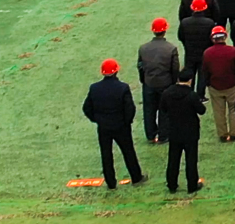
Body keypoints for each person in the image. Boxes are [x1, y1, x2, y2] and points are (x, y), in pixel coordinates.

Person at [82, 58, 145, 189]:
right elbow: (130, 108)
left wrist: (97, 119)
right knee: (128, 151)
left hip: (104, 127)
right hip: (121, 126)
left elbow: (87, 108)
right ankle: (136, 177)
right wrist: (126, 122)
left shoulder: (95, 88)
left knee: (106, 154)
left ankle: (111, 182)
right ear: (116, 71)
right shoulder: (122, 88)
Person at [157, 67, 204, 193]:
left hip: (174, 130)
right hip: (190, 132)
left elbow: (163, 109)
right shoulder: (191, 95)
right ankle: (192, 185)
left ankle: (172, 184)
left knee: (173, 159)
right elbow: (202, 110)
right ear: (190, 80)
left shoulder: (167, 93)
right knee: (191, 159)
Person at [136, 18, 181, 144]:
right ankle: (163, 135)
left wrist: (143, 80)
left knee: (149, 110)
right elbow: (175, 68)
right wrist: (173, 83)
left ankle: (150, 135)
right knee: (164, 110)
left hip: (149, 83)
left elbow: (140, 66)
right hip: (165, 83)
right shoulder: (171, 48)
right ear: (165, 30)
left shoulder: (143, 48)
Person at [202, 25, 235, 143]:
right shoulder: (232, 51)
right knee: (234, 109)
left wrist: (208, 83)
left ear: (213, 39)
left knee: (218, 111)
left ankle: (222, 134)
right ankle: (234, 132)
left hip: (215, 85)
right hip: (232, 84)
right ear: (225, 37)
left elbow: (205, 70)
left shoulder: (207, 53)